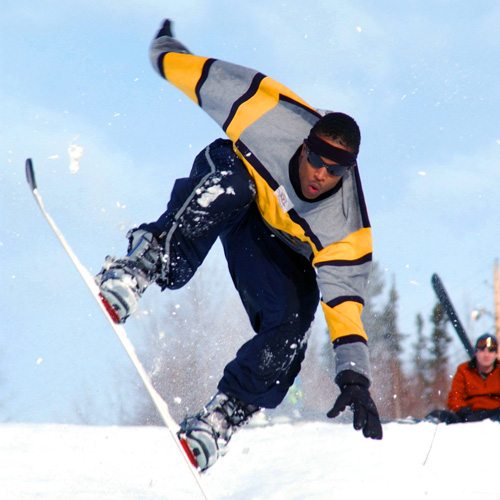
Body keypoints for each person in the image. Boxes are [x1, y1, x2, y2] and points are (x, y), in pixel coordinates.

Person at [95, 19, 382, 470]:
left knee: (292, 325)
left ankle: (225, 414)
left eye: (333, 170)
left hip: (276, 249)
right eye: (315, 160)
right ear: (304, 145)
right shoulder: (270, 112)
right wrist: (165, 51)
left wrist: (355, 375)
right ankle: (148, 263)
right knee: (231, 178)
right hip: (234, 185)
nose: (319, 175)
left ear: (345, 173)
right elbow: (204, 77)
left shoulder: (346, 227)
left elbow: (345, 305)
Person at [427, 333, 500, 424]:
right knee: (438, 415)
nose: (486, 355)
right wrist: (463, 411)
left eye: (490, 351)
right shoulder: (464, 370)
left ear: (496, 354)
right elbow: (455, 396)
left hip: (496, 414)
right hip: (469, 415)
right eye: (482, 351)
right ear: (476, 353)